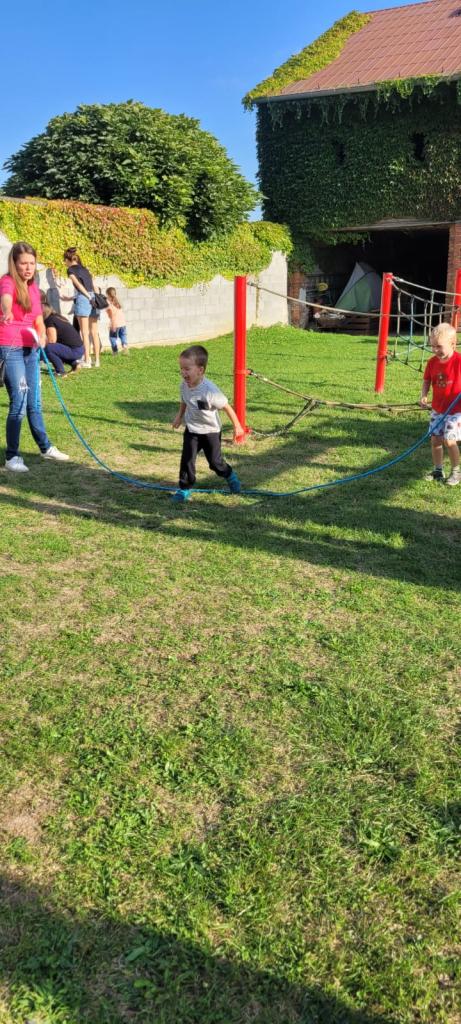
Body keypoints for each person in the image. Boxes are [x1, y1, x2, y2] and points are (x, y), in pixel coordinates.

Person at [0, 242, 69, 472]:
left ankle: (45, 447)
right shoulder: (7, 281)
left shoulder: (32, 288)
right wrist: (7, 311)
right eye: (24, 264)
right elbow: (6, 298)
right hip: (11, 348)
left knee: (34, 403)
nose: (29, 268)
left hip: (31, 350)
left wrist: (42, 335)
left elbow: (38, 319)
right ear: (14, 263)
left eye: (32, 263)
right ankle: (12, 456)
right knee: (18, 402)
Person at [171, 344, 244, 502]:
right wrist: (179, 416)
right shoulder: (184, 386)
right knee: (187, 459)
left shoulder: (210, 390)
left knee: (215, 463)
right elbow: (184, 401)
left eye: (187, 369)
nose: (183, 372)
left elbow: (227, 407)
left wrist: (237, 426)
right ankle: (184, 488)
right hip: (192, 430)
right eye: (181, 368)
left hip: (211, 431)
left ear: (200, 370)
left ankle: (230, 475)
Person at [420, 322, 461, 486]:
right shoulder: (432, 362)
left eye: (439, 346)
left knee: (449, 441)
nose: (435, 350)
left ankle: (456, 472)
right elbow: (427, 380)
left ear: (453, 344)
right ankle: (438, 470)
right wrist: (424, 395)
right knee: (435, 441)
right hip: (438, 409)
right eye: (433, 346)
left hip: (456, 410)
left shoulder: (459, 361)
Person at [63, 247, 99, 368]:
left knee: (84, 332)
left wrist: (88, 297)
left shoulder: (70, 270)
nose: (65, 263)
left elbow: (78, 285)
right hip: (94, 297)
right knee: (94, 331)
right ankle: (96, 361)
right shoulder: (85, 269)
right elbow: (93, 285)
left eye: (65, 261)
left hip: (84, 298)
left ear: (68, 259)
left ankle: (87, 360)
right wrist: (94, 297)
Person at [41, 299, 84, 376]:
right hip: (78, 349)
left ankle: (60, 372)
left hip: (74, 350)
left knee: (49, 348)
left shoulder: (49, 320)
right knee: (55, 349)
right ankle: (75, 364)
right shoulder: (56, 317)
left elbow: (52, 340)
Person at [105, 287, 128, 354]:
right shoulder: (118, 303)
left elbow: (111, 316)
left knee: (112, 338)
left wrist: (112, 325)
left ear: (108, 295)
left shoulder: (109, 305)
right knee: (123, 336)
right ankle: (125, 346)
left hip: (115, 324)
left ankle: (115, 351)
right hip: (123, 324)